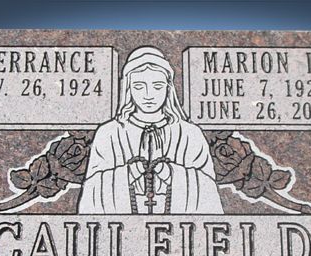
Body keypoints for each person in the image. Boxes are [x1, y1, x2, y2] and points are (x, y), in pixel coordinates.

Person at [77, 46, 223, 214]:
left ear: (169, 88)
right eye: (139, 86)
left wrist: (172, 174)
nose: (149, 95)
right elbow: (93, 190)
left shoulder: (190, 134)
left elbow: (208, 189)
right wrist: (128, 174)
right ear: (128, 89)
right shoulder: (109, 133)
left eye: (157, 86)